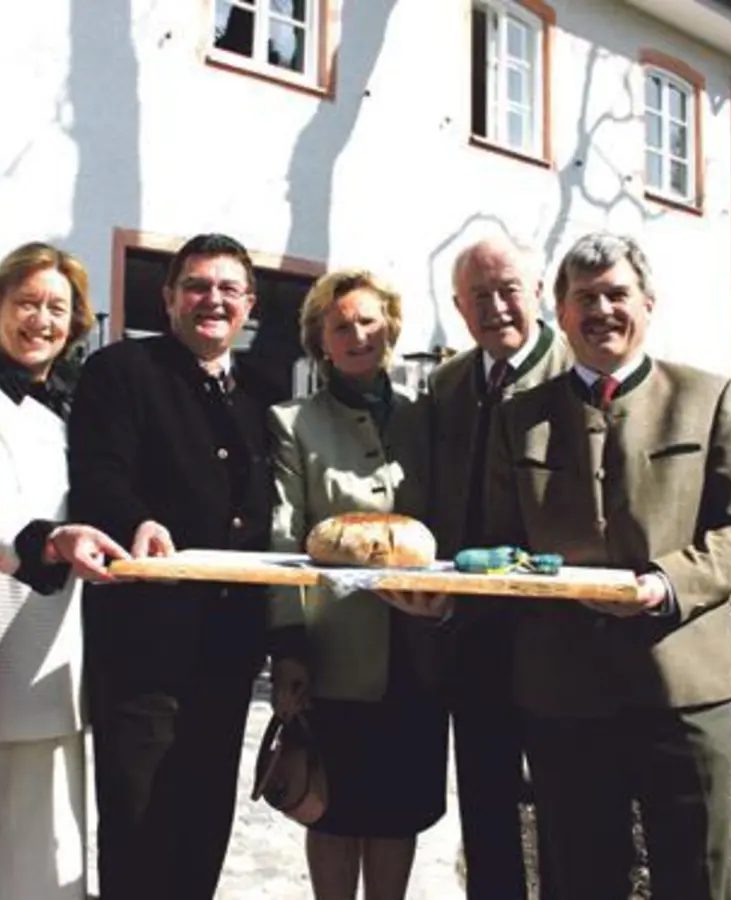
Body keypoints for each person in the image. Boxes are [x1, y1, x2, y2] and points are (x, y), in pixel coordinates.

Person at [457, 232, 731, 900]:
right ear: (562, 313)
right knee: (577, 881)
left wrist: (666, 584)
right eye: (584, 298)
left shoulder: (708, 397)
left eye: (615, 294)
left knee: (696, 879)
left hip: (683, 690)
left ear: (647, 304)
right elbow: (500, 541)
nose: (600, 310)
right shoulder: (521, 419)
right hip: (562, 692)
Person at [67, 233, 307, 899]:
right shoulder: (121, 372)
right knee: (141, 834)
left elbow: (276, 528)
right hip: (143, 649)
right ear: (169, 297)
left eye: (229, 289)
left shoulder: (261, 396)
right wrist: (133, 521)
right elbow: (97, 473)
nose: (213, 300)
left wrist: (286, 643)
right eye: (197, 286)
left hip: (227, 652)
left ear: (249, 305)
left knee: (202, 831)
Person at [0, 242, 130, 899]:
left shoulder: (63, 406)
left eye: (56, 308)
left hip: (63, 657)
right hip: (1, 654)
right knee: (6, 850)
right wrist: (48, 542)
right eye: (26, 303)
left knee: (55, 844)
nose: (41, 320)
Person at [268, 269, 447, 900]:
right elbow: (282, 543)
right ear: (320, 340)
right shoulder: (293, 424)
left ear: (390, 329)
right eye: (340, 325)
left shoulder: (426, 417)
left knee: (398, 811)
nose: (356, 334)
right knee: (336, 807)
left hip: (418, 649)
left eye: (369, 321)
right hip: (335, 654)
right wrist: (288, 648)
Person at [420, 235, 575, 900]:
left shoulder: (577, 373)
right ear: (459, 308)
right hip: (473, 636)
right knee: (485, 808)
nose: (496, 306)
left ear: (537, 291)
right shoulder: (448, 384)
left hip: (562, 637)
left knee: (569, 812)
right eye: (478, 296)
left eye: (508, 288)